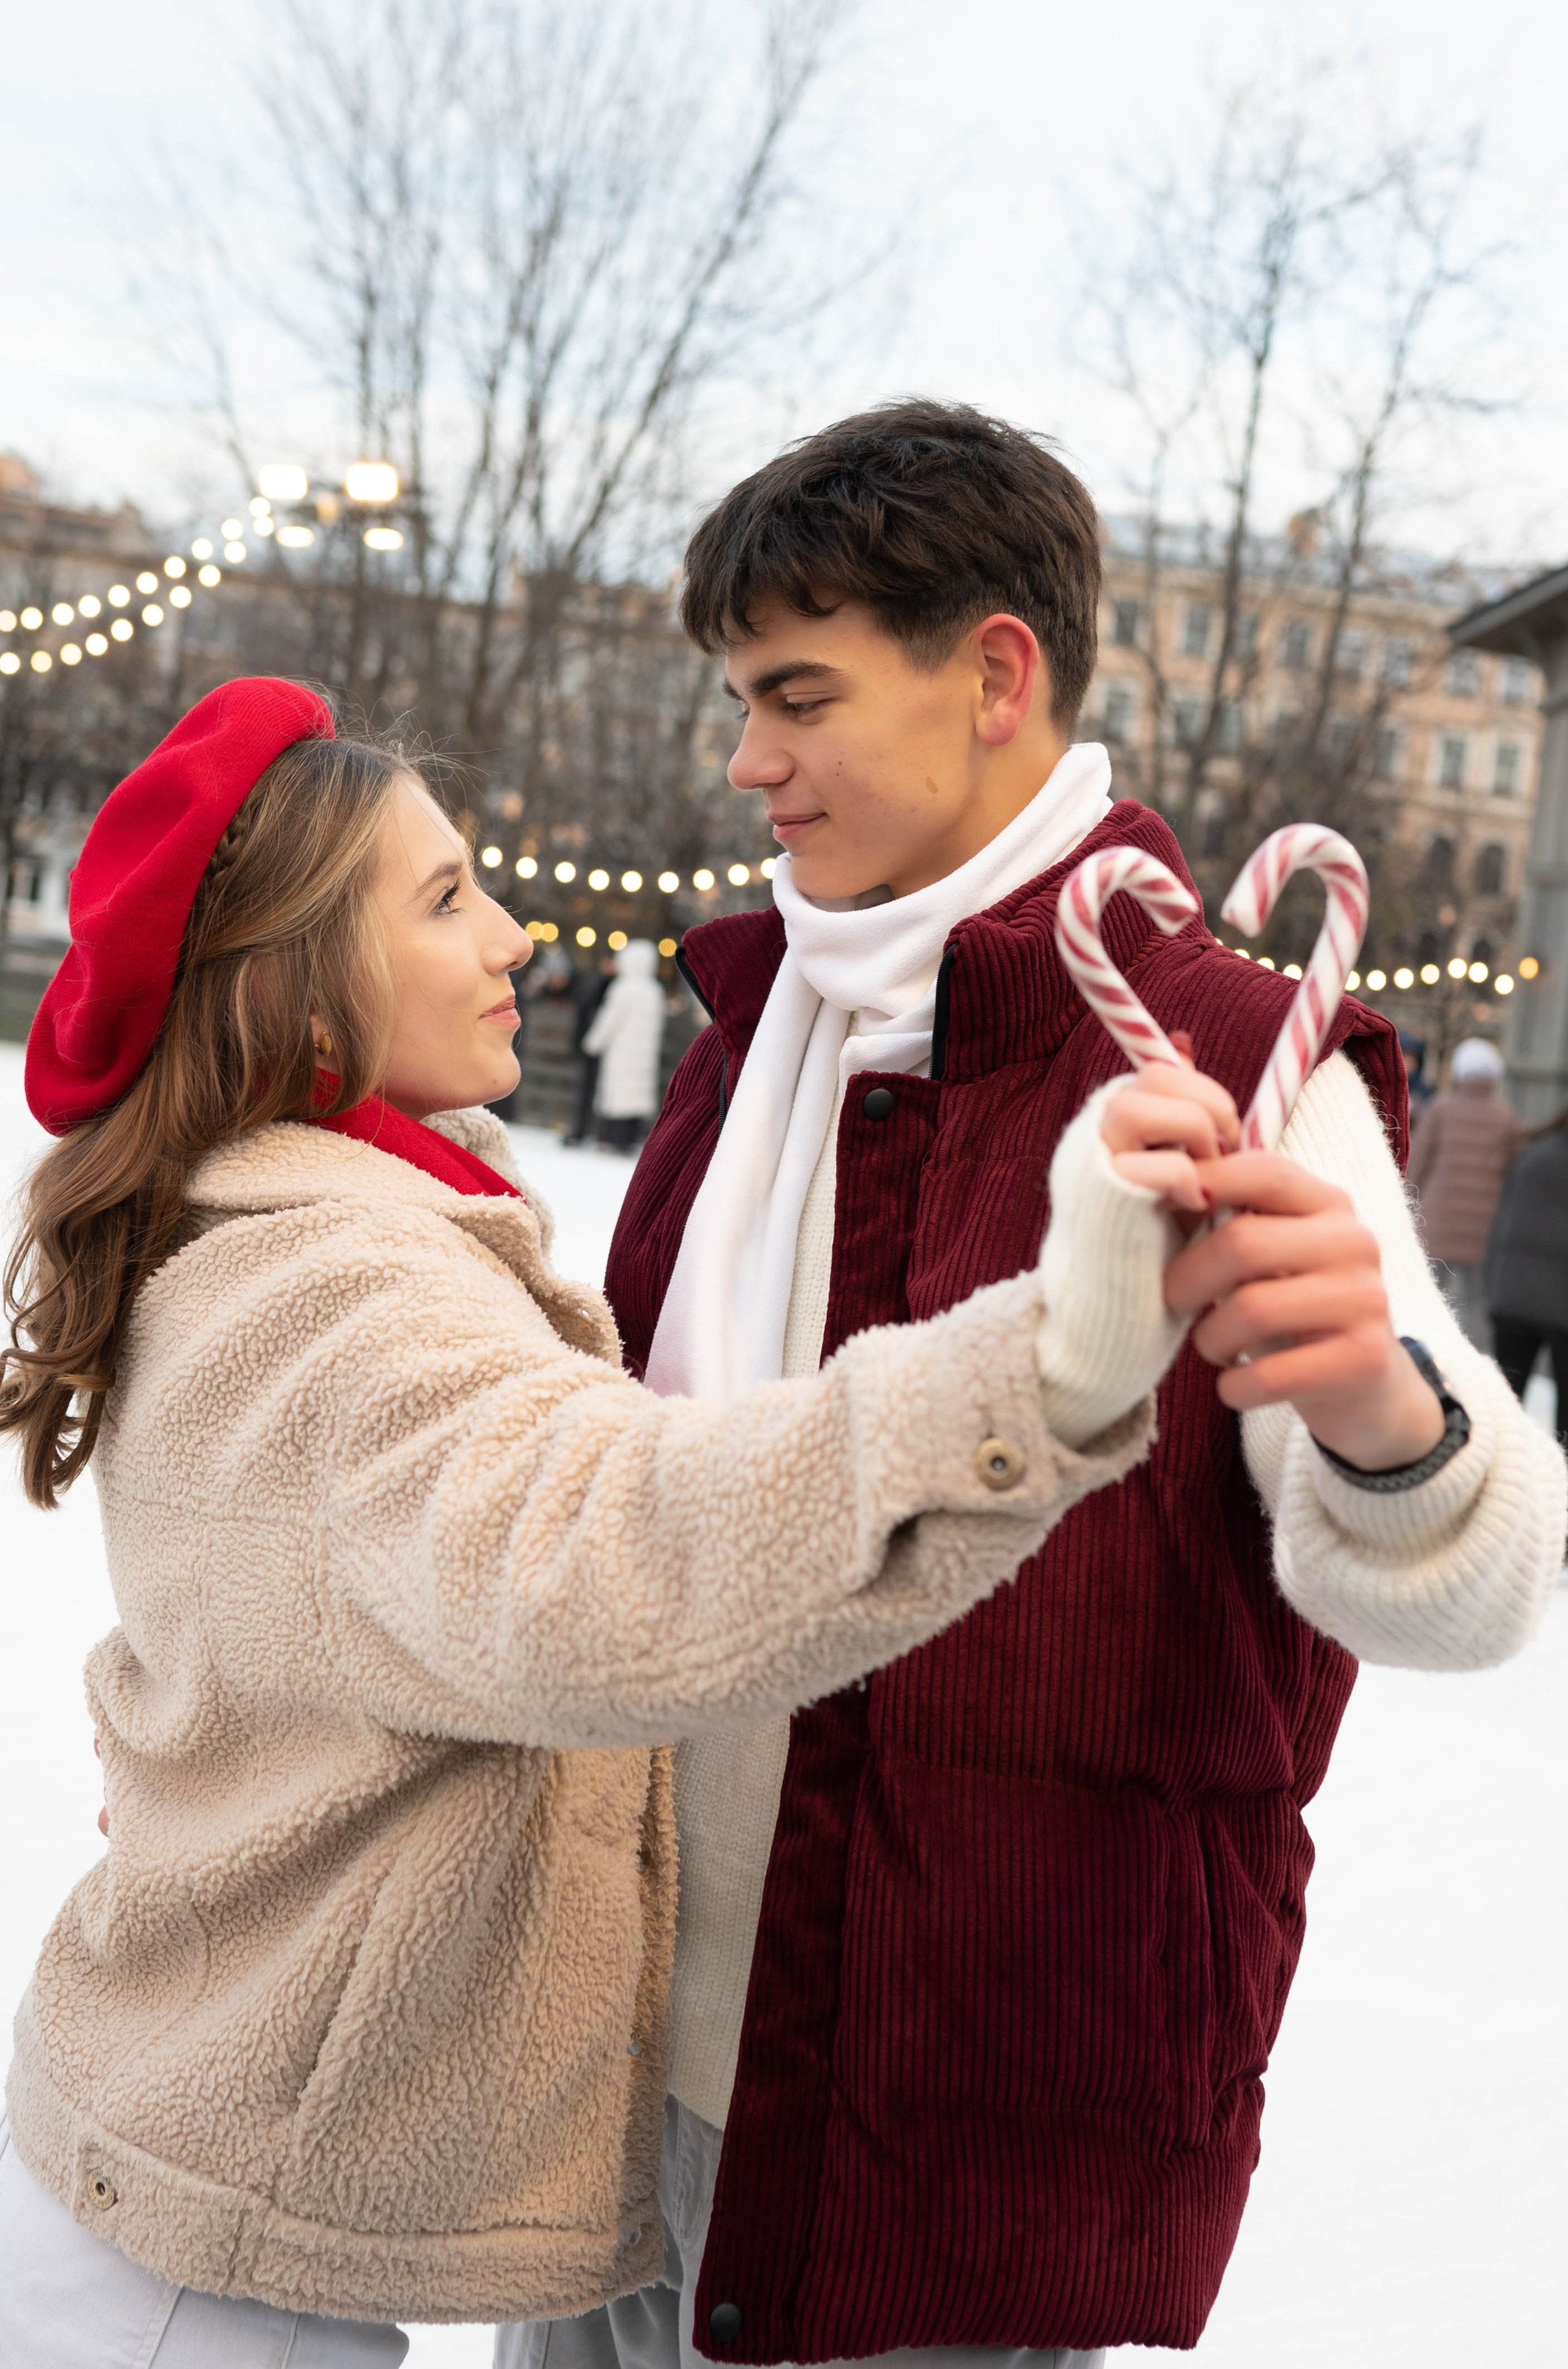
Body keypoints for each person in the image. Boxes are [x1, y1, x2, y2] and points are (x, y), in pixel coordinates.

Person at [505, 402, 1566, 2369]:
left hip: (954, 2109)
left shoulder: (1228, 1052)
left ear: (992, 671)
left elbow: (1478, 1571)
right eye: (741, 697)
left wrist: (1388, 1423)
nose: (748, 758)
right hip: (624, 2048)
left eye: (795, 693)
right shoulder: (754, 1033)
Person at [1, 676, 1223, 2364]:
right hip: (197, 2277)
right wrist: (1046, 1363)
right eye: (444, 899)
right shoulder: (331, 1287)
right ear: (295, 994)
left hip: (188, 2162)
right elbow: (610, 1556)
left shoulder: (315, 1220)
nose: (510, 935)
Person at [1408, 1036, 1523, 1348]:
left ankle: (1424, 1356)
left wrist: (1407, 1204)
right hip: (1484, 1228)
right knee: (1477, 1302)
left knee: (1431, 1295)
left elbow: (1417, 1162)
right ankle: (1479, 1361)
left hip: (1438, 1221)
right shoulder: (1506, 1116)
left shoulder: (1439, 1109)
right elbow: (1513, 1173)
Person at [1486, 1106, 1568, 1451]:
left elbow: (1500, 1224)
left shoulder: (1533, 1153)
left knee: (1506, 1403)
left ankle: (1499, 1478)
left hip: (1513, 1297)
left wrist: (1494, 1288)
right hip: (1561, 1308)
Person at [584, 939, 667, 1151]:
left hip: (621, 1053)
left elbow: (610, 1019)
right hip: (645, 1056)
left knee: (617, 1094)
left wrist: (594, 1042)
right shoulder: (655, 991)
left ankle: (612, 1138)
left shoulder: (623, 988)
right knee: (636, 1095)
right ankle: (628, 1139)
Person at [565, 956, 617, 1145]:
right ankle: (581, 1130)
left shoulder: (617, 987)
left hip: (606, 1050)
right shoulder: (596, 983)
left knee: (602, 1093)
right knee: (586, 1091)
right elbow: (584, 1012)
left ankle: (599, 1133)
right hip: (592, 1047)